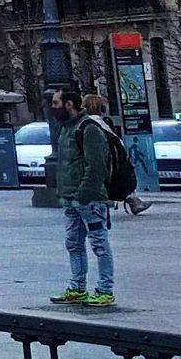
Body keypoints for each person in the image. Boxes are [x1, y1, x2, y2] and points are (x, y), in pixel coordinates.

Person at [53, 91, 119, 309]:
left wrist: (83, 194)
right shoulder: (66, 128)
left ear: (68, 104)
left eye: (56, 103)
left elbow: (97, 165)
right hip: (70, 198)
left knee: (99, 243)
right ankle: (77, 287)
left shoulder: (88, 128)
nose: (53, 108)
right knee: (73, 243)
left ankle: (105, 290)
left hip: (88, 199)